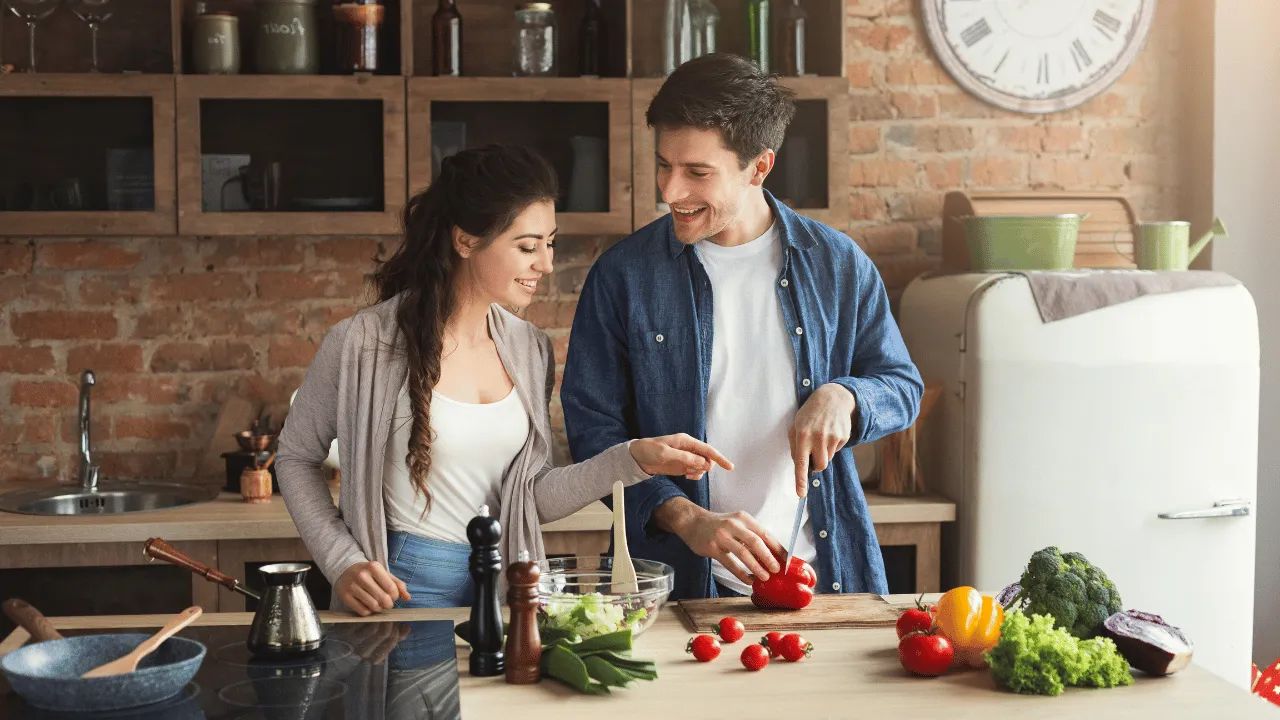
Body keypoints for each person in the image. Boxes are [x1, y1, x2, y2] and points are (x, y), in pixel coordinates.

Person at [276, 144, 731, 616]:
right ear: (466, 241)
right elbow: (294, 458)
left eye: (549, 243)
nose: (546, 264)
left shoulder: (529, 348)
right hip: (403, 585)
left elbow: (529, 498)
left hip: (508, 585)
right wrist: (341, 560)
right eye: (527, 246)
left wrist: (633, 458)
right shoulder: (362, 343)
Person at [561, 54, 924, 601]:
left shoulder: (838, 265)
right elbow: (594, 432)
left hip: (821, 577)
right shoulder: (623, 276)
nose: (670, 191)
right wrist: (686, 517)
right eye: (664, 164)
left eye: (697, 173)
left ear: (759, 167)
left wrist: (845, 396)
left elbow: (902, 386)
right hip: (679, 586)